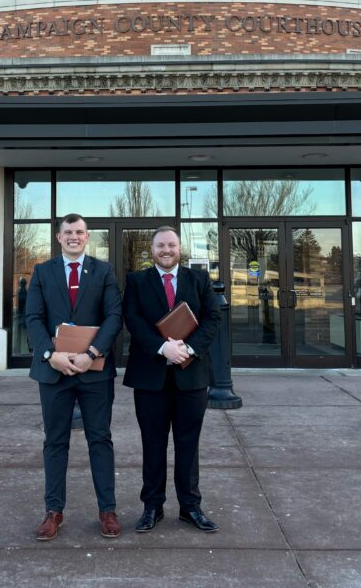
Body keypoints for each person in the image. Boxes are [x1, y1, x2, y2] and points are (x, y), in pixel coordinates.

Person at [25, 213, 123, 541]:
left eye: (79, 232)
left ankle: (107, 510)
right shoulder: (42, 272)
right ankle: (54, 511)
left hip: (94, 371)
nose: (74, 237)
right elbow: (33, 317)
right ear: (58, 237)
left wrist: (90, 354)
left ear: (87, 237)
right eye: (68, 232)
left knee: (100, 439)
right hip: (54, 372)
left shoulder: (104, 271)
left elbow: (113, 316)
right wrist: (50, 355)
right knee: (55, 441)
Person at [122, 225, 221, 533]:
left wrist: (187, 349)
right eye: (161, 245)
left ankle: (190, 507)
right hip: (149, 377)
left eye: (172, 245)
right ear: (152, 250)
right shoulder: (137, 281)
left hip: (191, 376)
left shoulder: (199, 279)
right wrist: (162, 347)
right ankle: (152, 506)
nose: (166, 250)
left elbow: (212, 317)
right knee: (152, 444)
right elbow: (133, 320)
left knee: (188, 445)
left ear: (180, 249)